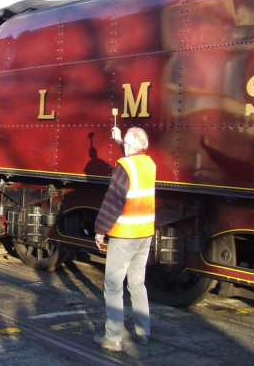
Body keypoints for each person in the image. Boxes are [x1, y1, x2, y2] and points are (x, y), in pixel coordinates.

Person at [93, 127, 156, 352]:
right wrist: (120, 138)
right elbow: (134, 152)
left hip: (125, 235)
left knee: (113, 285)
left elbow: (113, 201)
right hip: (145, 234)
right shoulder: (149, 164)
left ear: (130, 147)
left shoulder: (124, 166)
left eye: (125, 145)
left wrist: (100, 229)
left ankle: (113, 337)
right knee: (137, 284)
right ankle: (143, 332)